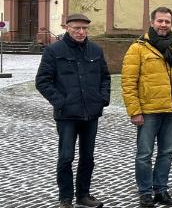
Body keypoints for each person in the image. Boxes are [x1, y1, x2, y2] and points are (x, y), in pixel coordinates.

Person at [36, 13, 110, 208]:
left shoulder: (95, 50)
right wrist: (61, 101)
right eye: (77, 28)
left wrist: (102, 99)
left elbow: (105, 77)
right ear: (67, 27)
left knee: (88, 157)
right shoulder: (54, 50)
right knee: (66, 157)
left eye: (84, 28)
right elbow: (42, 81)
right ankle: (66, 198)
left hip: (90, 113)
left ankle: (83, 195)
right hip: (67, 115)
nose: (81, 32)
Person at [121, 7, 172, 208]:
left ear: (171, 24)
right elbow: (128, 82)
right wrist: (134, 111)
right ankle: (145, 192)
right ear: (152, 22)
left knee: (167, 152)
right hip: (148, 111)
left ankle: (161, 189)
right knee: (144, 154)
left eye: (167, 22)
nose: (163, 25)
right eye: (160, 21)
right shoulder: (138, 48)